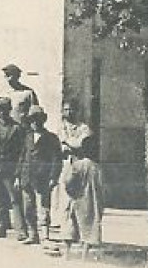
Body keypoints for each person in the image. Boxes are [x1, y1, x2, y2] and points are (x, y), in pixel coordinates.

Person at [0, 96, 28, 240]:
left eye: (3, 110)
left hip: (12, 169)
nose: (0, 113)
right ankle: (2, 226)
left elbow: (22, 151)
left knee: (15, 199)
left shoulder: (17, 128)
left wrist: (18, 171)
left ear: (9, 110)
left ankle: (21, 230)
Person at [20, 106, 63, 247]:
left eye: (37, 119)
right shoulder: (26, 137)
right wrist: (17, 176)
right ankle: (33, 235)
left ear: (43, 120)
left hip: (42, 178)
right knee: (28, 207)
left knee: (43, 207)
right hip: (26, 177)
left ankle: (45, 236)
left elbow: (57, 160)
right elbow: (21, 157)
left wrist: (53, 177)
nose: (35, 123)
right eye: (32, 120)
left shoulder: (51, 138)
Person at [60, 130, 105, 259]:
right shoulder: (96, 167)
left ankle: (66, 253)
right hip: (91, 201)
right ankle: (84, 256)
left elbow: (68, 181)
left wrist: (71, 192)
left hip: (76, 199)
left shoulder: (78, 165)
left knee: (70, 225)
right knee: (89, 227)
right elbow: (101, 186)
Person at [0, 64, 40, 128]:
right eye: (6, 74)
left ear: (17, 76)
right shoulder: (4, 94)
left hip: (24, 129)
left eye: (9, 74)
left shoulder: (28, 93)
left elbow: (35, 113)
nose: (7, 77)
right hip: (9, 130)